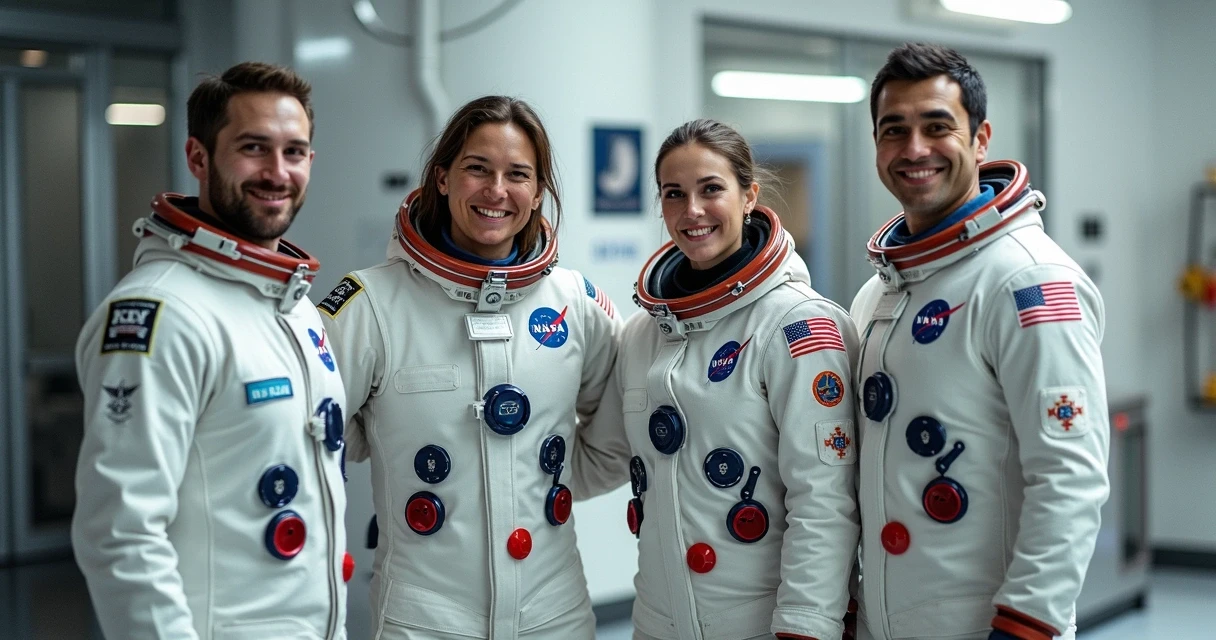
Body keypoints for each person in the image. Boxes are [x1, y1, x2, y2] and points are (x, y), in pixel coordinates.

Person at [318, 95, 622, 639]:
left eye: (518, 175)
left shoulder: (573, 303)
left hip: (554, 613)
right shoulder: (368, 305)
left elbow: (620, 424)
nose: (496, 190)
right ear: (441, 178)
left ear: (536, 193)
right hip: (425, 618)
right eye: (477, 168)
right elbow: (318, 436)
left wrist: (531, 483)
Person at [72, 61, 351, 639]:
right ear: (198, 157)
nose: (278, 172)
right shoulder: (163, 313)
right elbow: (121, 532)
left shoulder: (294, 306)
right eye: (254, 148)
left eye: (294, 152)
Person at [849, 43, 1110, 640]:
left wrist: (1025, 623)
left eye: (937, 126)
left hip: (989, 625)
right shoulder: (877, 295)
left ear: (981, 137)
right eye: (895, 130)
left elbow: (1070, 473)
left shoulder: (1028, 280)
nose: (914, 149)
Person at [600, 119, 860, 640]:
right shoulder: (641, 335)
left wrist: (806, 628)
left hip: (763, 625)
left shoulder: (797, 326)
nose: (692, 211)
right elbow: (602, 453)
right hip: (657, 620)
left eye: (711, 189)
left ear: (749, 197)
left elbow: (825, 499)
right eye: (674, 194)